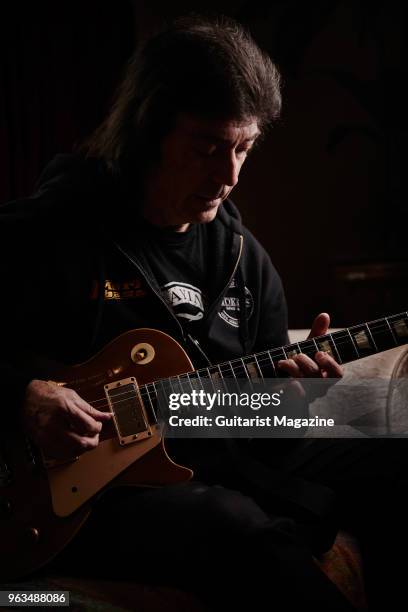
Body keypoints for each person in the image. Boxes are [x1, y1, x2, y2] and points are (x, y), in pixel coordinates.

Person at [0, 15, 405, 612]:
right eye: (209, 148)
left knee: (392, 428)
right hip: (77, 492)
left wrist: (295, 399)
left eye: (244, 148)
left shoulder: (243, 257)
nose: (230, 176)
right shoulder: (49, 232)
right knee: (235, 526)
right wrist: (22, 394)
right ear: (148, 131)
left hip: (213, 444)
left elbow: (260, 418)